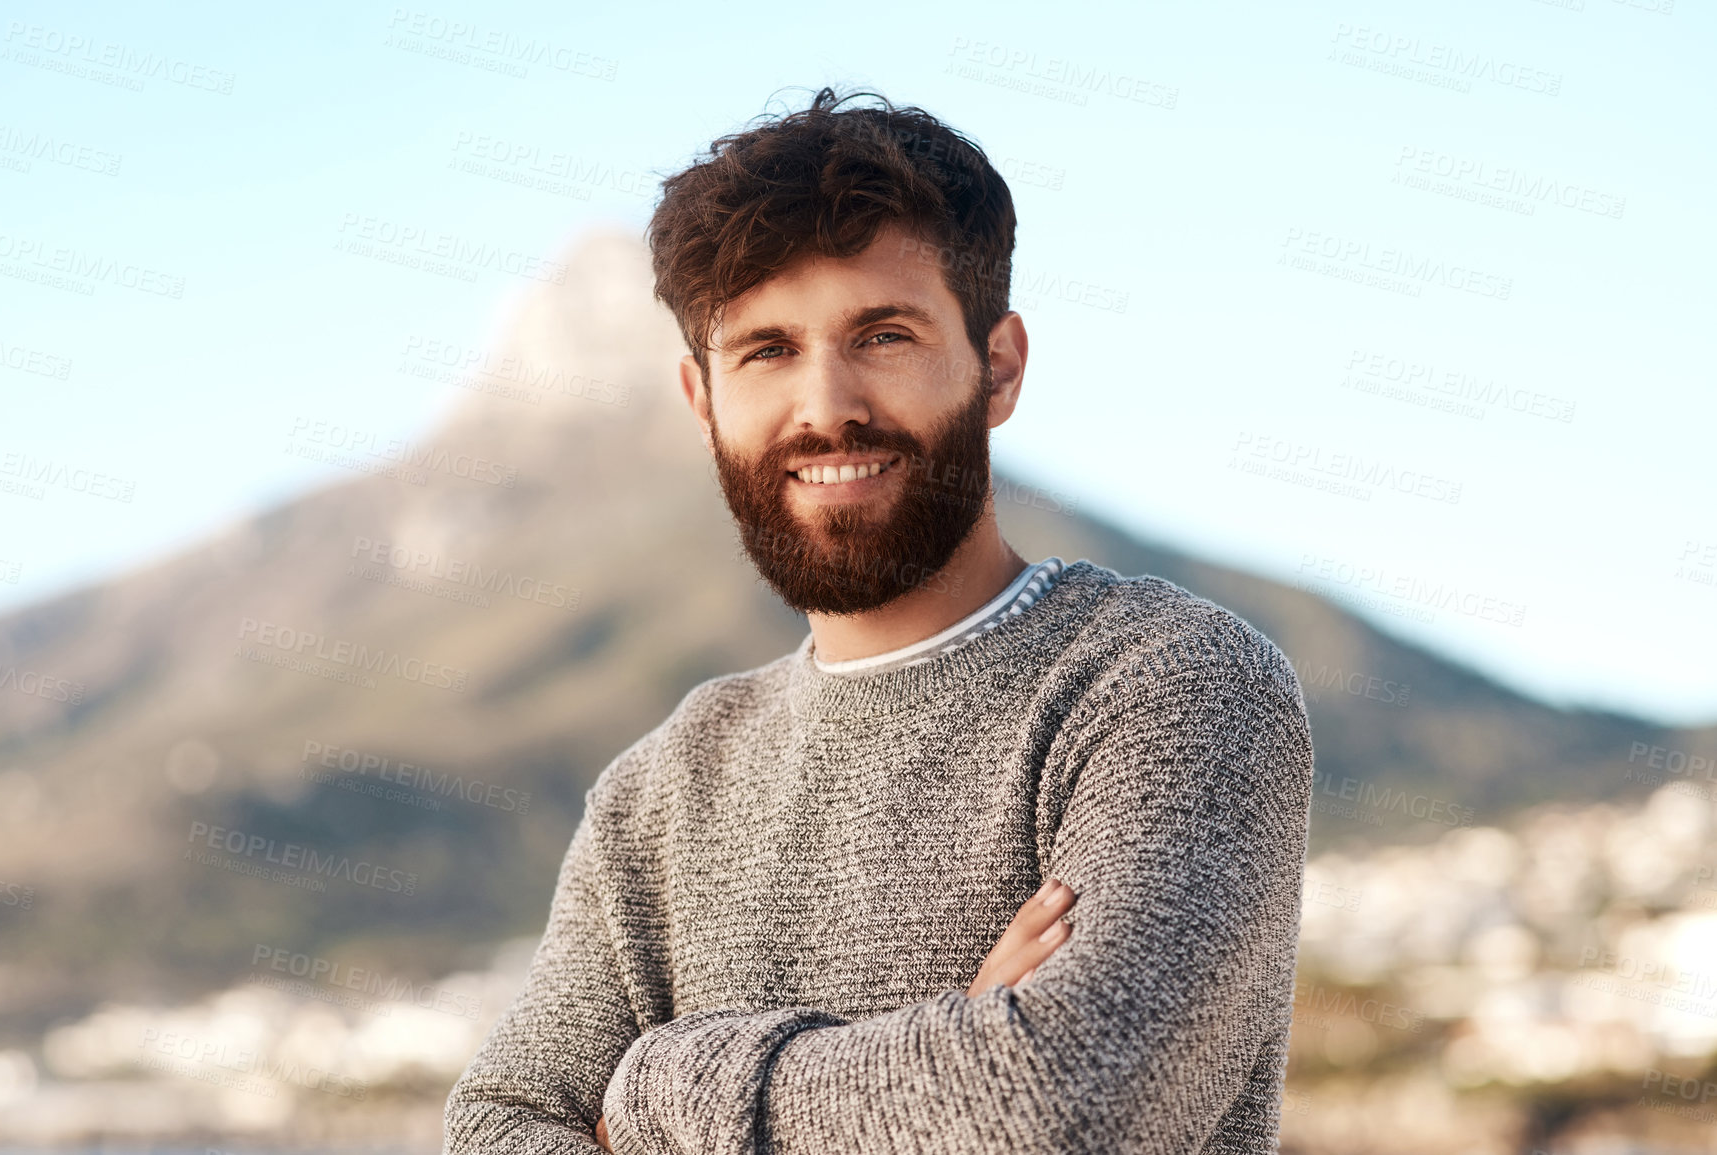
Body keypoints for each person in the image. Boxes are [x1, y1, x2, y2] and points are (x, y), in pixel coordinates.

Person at [444, 86, 1315, 1154]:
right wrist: (954, 1055)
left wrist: (656, 1085)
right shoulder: (659, 793)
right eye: (766, 350)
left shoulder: (1169, 686)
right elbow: (497, 1129)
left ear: (998, 367)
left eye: (883, 334)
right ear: (699, 396)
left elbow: (1066, 1108)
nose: (825, 406)